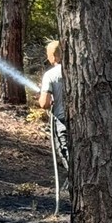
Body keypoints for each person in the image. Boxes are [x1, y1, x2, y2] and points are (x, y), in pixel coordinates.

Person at [38, 40, 68, 211]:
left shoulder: (51, 75)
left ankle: (77, 186)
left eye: (48, 54)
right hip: (81, 123)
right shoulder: (78, 71)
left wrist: (43, 96)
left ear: (54, 55)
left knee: (67, 154)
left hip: (62, 122)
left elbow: (45, 103)